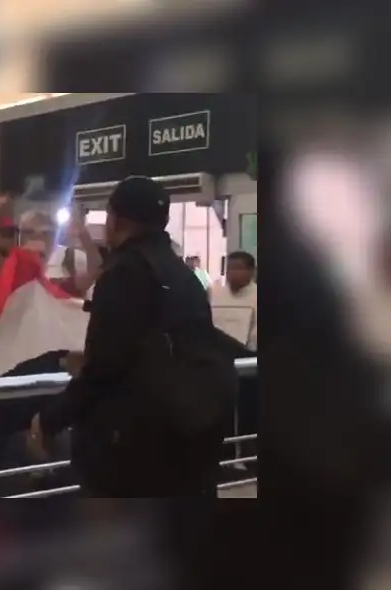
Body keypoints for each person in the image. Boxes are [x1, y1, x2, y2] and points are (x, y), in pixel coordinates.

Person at [35, 176, 237, 497]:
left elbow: (105, 368)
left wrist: (51, 418)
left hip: (137, 448)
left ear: (116, 220)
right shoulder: (184, 275)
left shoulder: (125, 273)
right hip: (192, 435)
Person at [210, 251, 257, 350]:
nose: (232, 272)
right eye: (229, 268)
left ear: (251, 271)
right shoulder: (213, 293)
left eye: (238, 268)